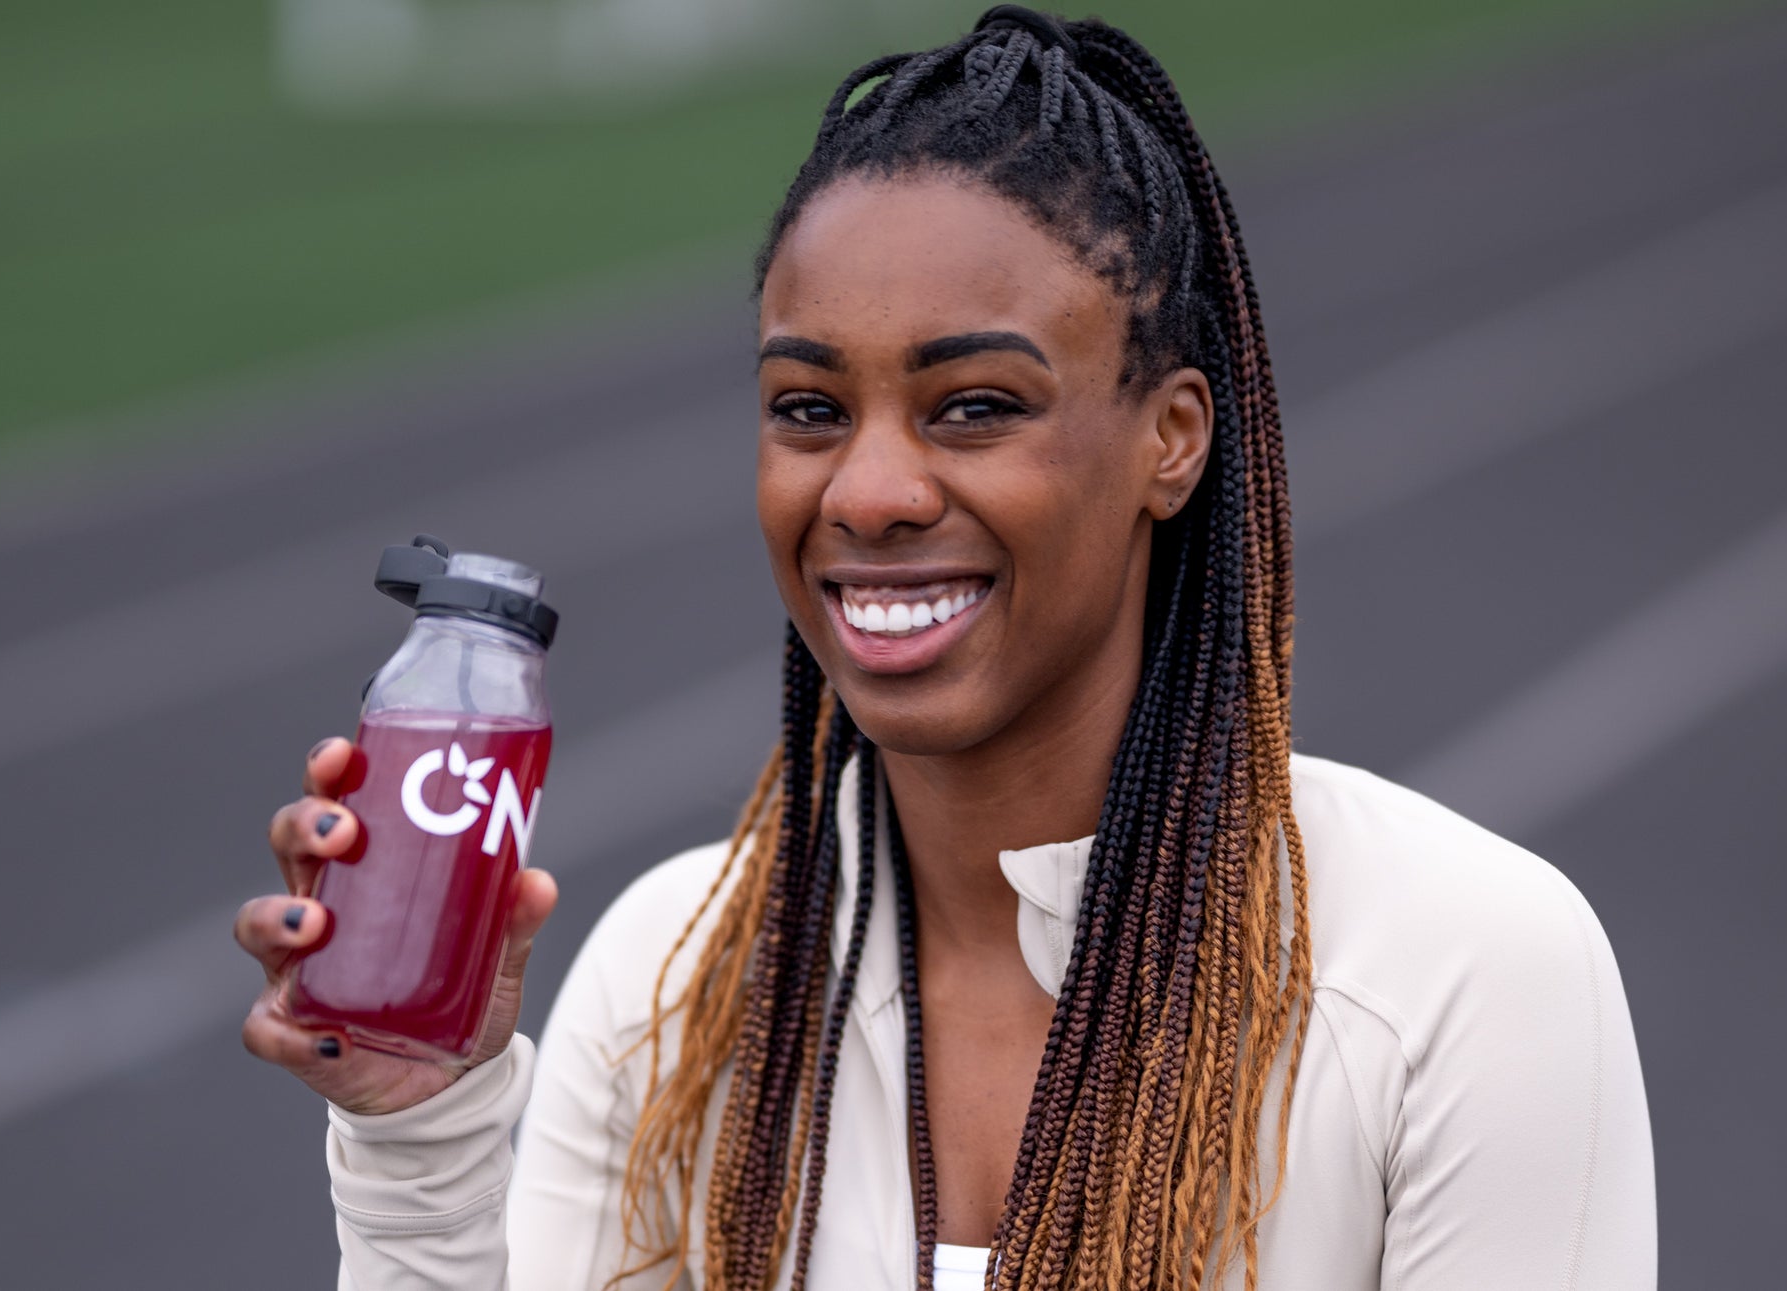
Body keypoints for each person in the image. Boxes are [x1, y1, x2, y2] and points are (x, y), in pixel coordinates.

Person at [236, 7, 1655, 1288]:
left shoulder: (1461, 973)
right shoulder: (671, 981)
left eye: (974, 405)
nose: (868, 491)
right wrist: (422, 1138)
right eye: (808, 409)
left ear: (1171, 439)